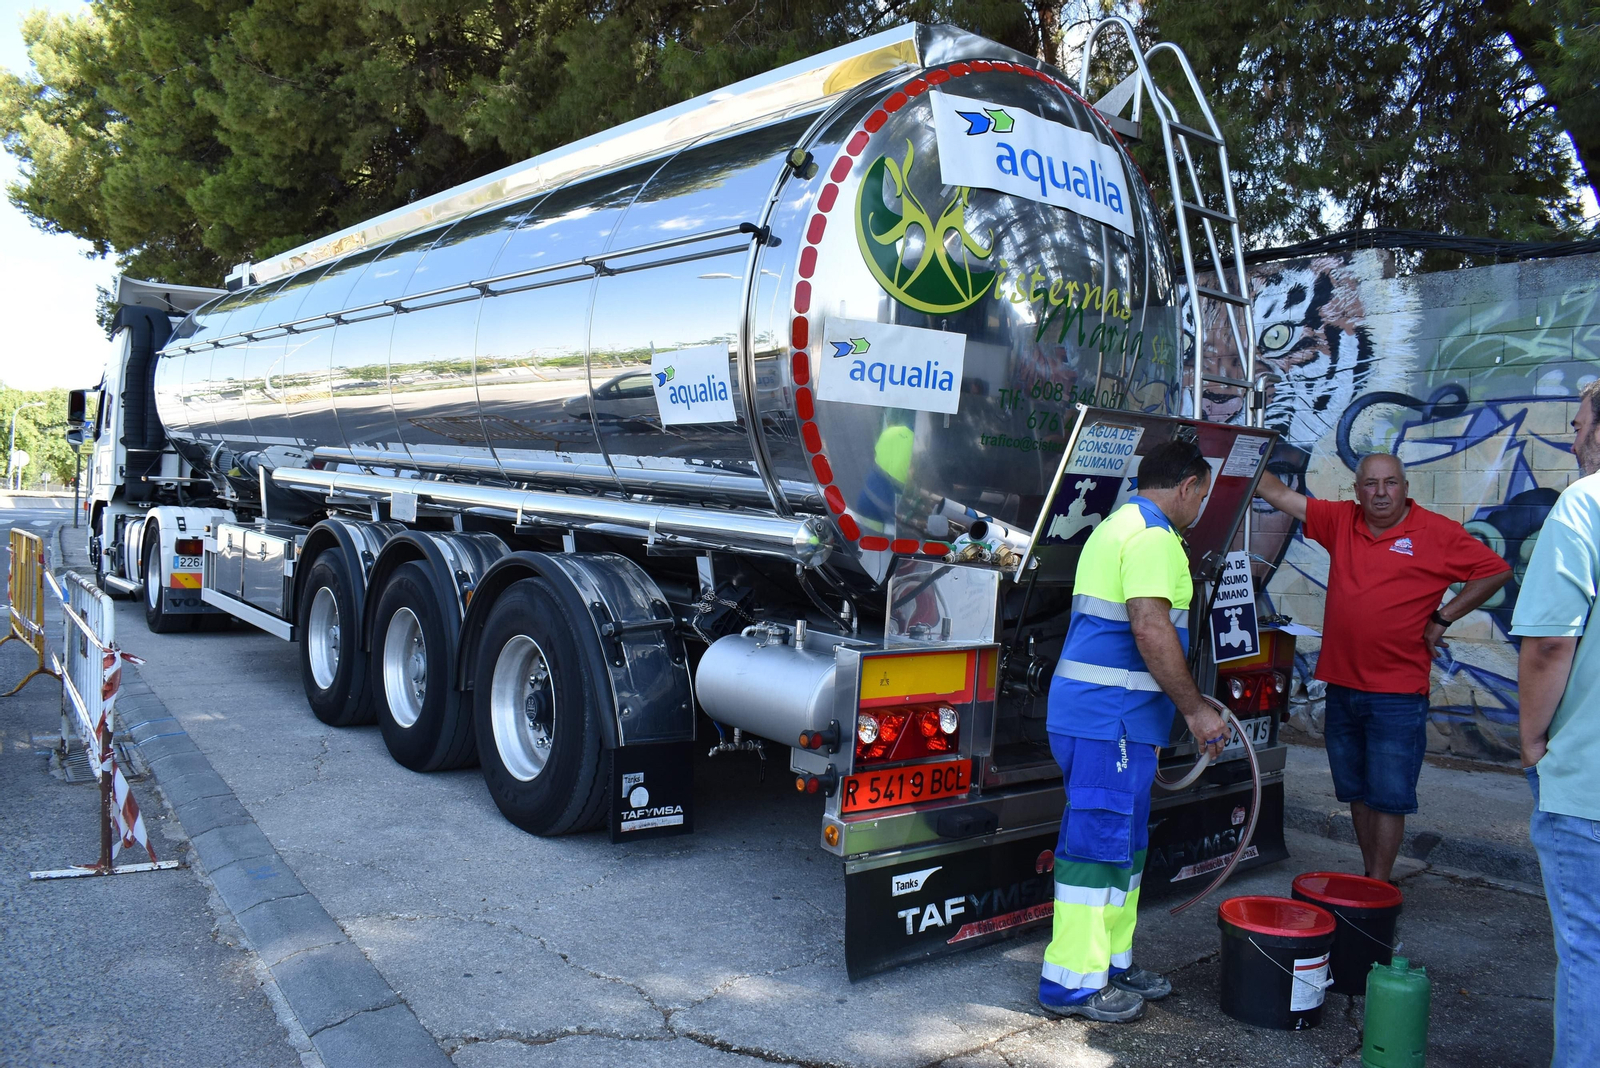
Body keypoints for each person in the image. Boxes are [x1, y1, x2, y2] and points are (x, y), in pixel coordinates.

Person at [1040, 438, 1229, 1022]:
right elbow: (1151, 630)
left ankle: (1111, 964)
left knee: (1123, 848)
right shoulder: (1149, 538)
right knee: (1096, 852)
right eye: (1202, 494)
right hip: (1109, 722)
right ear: (1188, 486)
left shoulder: (1127, 526)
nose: (1200, 506)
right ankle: (1071, 983)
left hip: (1116, 722)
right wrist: (1197, 711)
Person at [1255, 454, 1510, 882]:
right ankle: (1371, 879)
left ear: (1405, 487)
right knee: (1356, 791)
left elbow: (1495, 571)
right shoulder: (1341, 521)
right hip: (1342, 685)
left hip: (1398, 692)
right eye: (1370, 484)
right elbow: (1276, 493)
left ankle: (1377, 887)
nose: (1380, 493)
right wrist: (1239, 446)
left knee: (1389, 797)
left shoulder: (1435, 532)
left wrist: (1443, 617)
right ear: (1356, 490)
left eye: (1390, 483)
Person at [1511, 378, 1600, 1067]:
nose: (1573, 437)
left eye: (1579, 424)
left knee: (1589, 957)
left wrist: (1534, 742)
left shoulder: (1583, 505)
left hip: (1588, 786)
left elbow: (1548, 644)